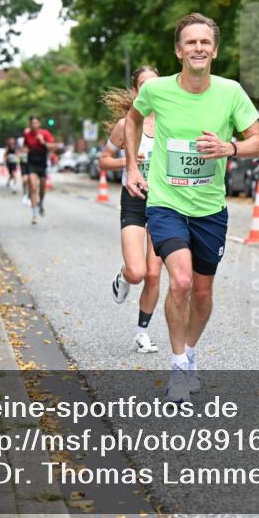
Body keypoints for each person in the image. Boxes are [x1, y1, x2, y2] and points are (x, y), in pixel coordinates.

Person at [124, 13, 259, 402]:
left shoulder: (230, 92)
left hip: (210, 207)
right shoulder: (158, 91)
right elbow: (132, 120)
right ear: (178, 50)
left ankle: (189, 353)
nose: (198, 48)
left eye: (205, 42)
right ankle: (177, 368)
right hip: (166, 203)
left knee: (202, 293)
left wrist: (229, 147)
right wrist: (133, 167)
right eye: (191, 42)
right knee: (181, 281)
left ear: (215, 50)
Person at [102, 66, 162, 354]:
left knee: (153, 274)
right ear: (136, 92)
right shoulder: (126, 124)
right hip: (135, 201)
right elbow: (103, 160)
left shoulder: (171, 122)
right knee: (138, 272)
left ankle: (142, 333)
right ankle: (123, 277)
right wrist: (127, 162)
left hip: (165, 203)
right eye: (144, 86)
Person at [23, 116, 56, 225]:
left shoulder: (45, 133)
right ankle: (34, 214)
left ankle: (41, 203)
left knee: (42, 190)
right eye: (32, 123)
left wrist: (43, 142)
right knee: (32, 187)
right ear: (30, 124)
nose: (34, 125)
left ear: (39, 124)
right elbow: (25, 146)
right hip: (31, 162)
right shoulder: (27, 134)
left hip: (42, 163)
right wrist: (24, 151)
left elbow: (53, 146)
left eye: (36, 123)